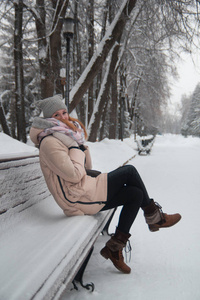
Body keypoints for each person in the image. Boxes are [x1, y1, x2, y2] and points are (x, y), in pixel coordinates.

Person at [30, 94, 181, 274]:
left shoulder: (64, 137)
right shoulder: (49, 142)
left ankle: (115, 248)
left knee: (135, 194)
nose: (63, 117)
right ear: (48, 119)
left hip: (84, 189)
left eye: (64, 112)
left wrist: (79, 147)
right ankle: (156, 217)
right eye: (57, 115)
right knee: (129, 171)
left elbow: (87, 167)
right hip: (76, 198)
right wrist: (73, 148)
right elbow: (75, 175)